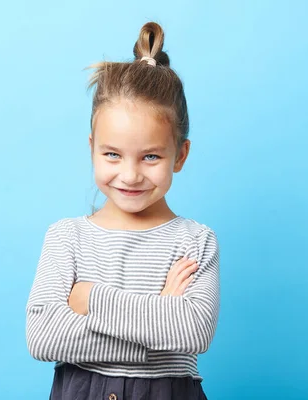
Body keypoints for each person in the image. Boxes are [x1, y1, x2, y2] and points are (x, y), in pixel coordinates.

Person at [25, 21, 220, 400]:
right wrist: (158, 318)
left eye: (150, 156)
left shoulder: (195, 241)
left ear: (180, 155)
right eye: (112, 154)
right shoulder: (67, 238)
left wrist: (90, 299)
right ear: (92, 147)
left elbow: (193, 331)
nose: (129, 175)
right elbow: (43, 336)